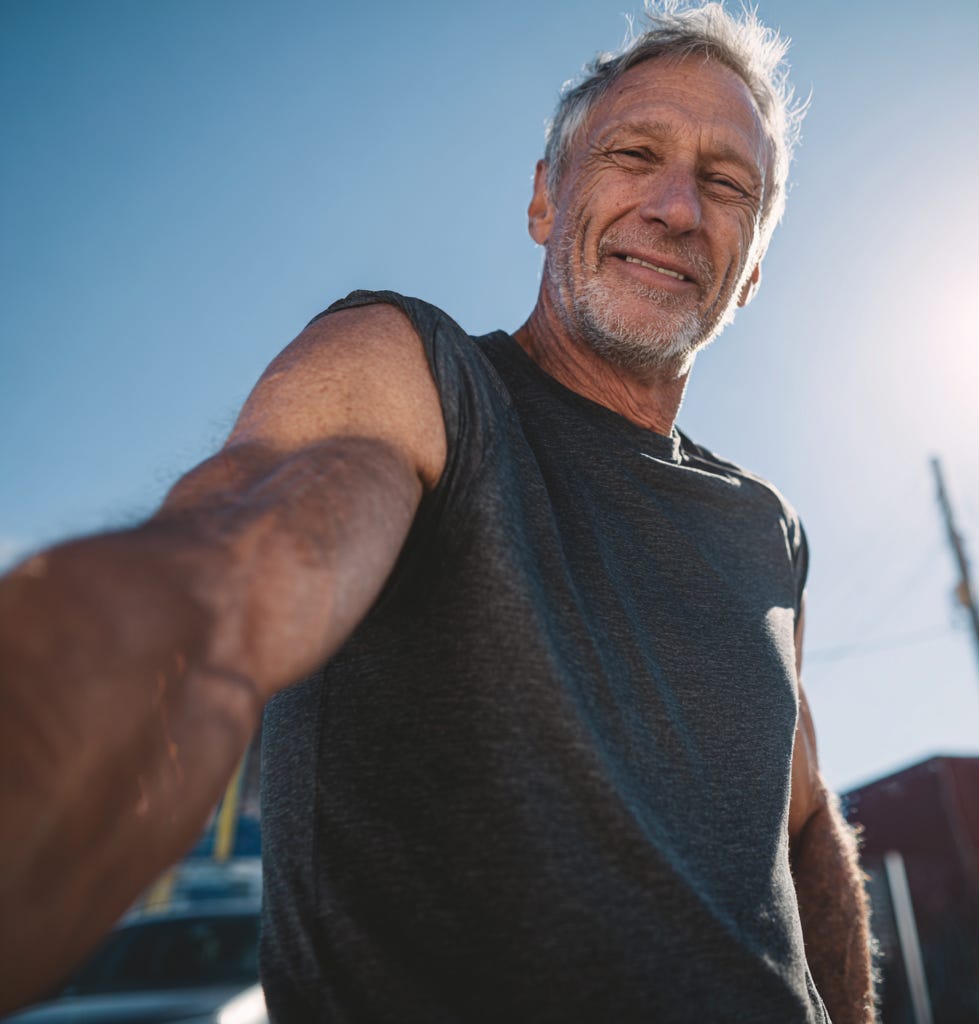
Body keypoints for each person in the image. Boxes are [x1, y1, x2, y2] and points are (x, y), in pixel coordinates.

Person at [0, 2, 876, 1020]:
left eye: (727, 184)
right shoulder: (416, 379)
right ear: (545, 199)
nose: (677, 207)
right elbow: (223, 578)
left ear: (752, 268)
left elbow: (805, 822)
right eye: (635, 154)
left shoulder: (768, 528)